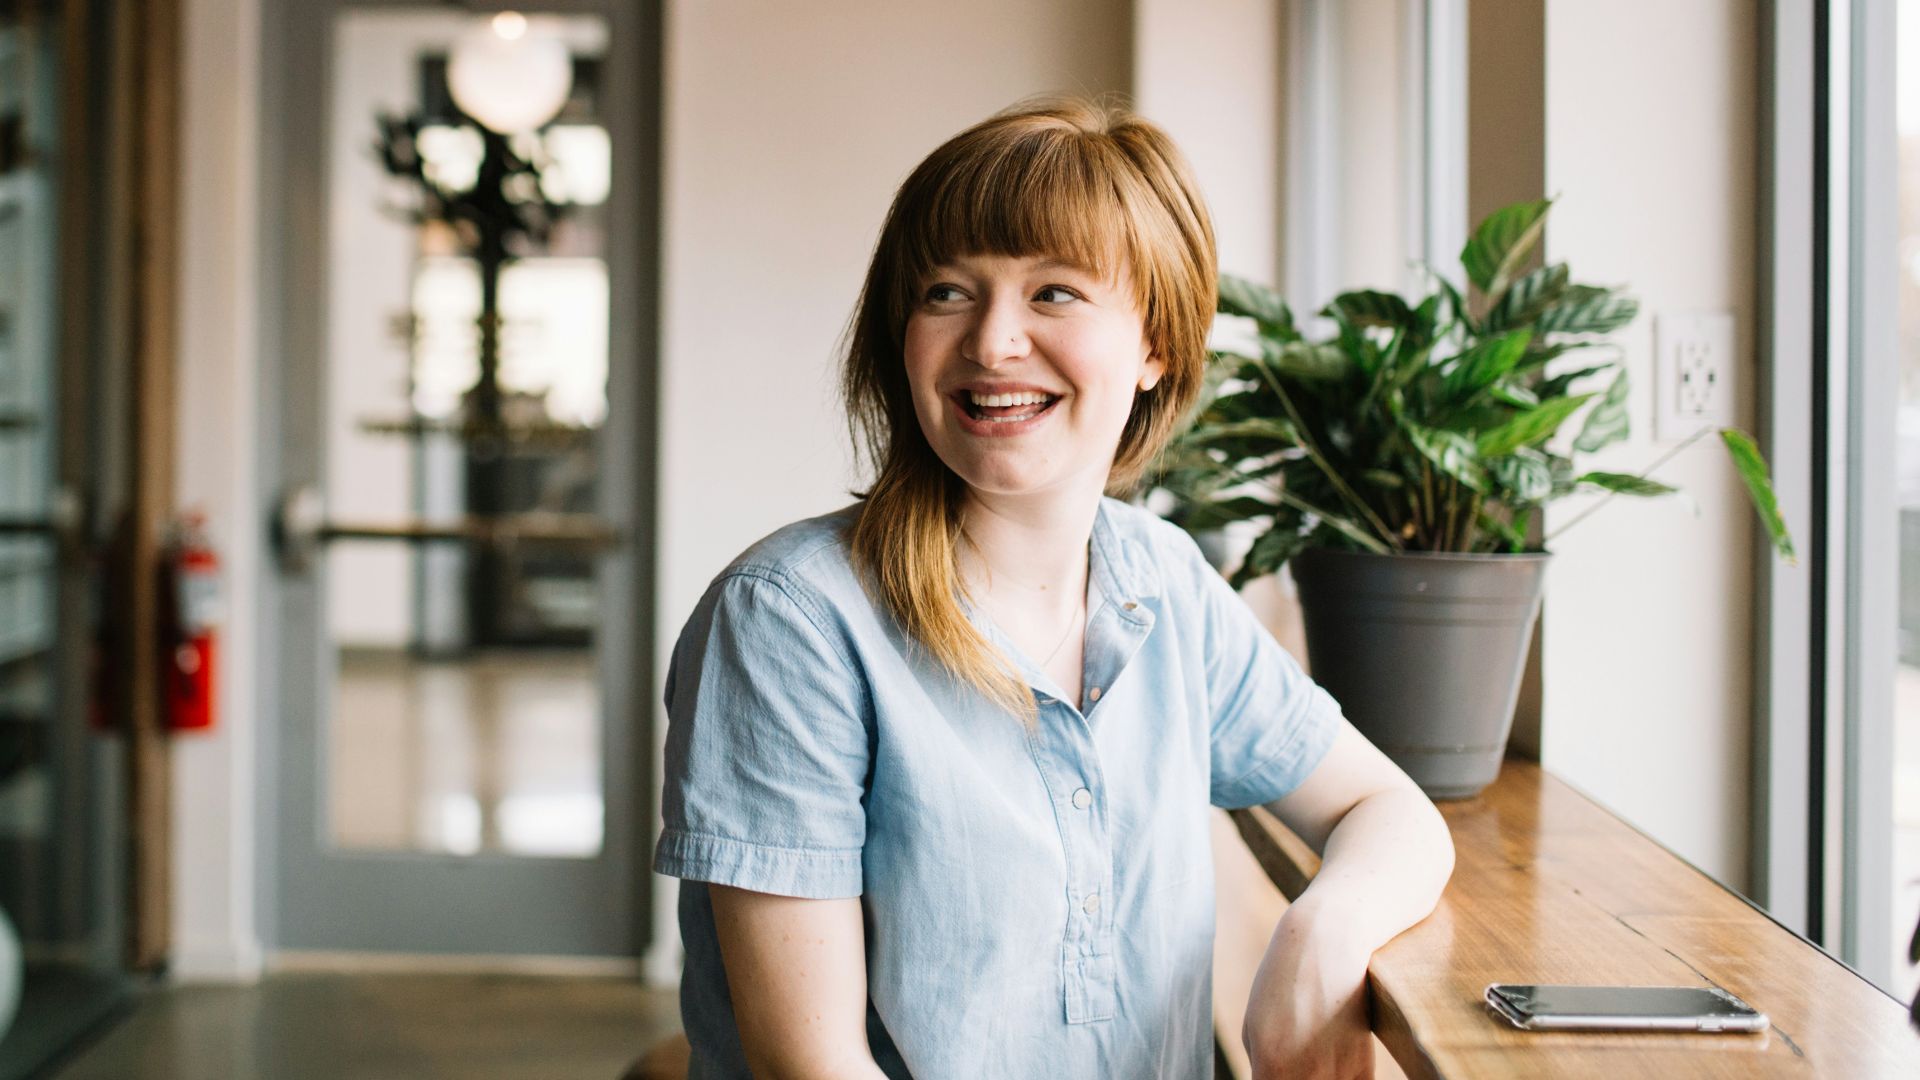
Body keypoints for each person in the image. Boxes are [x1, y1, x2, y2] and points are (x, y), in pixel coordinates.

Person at [653, 96, 1455, 1080]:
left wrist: (1324, 930)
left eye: (1054, 293)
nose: (991, 342)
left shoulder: (1162, 581)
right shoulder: (790, 620)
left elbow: (1388, 809)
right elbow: (810, 1067)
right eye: (947, 291)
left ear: (1156, 344)